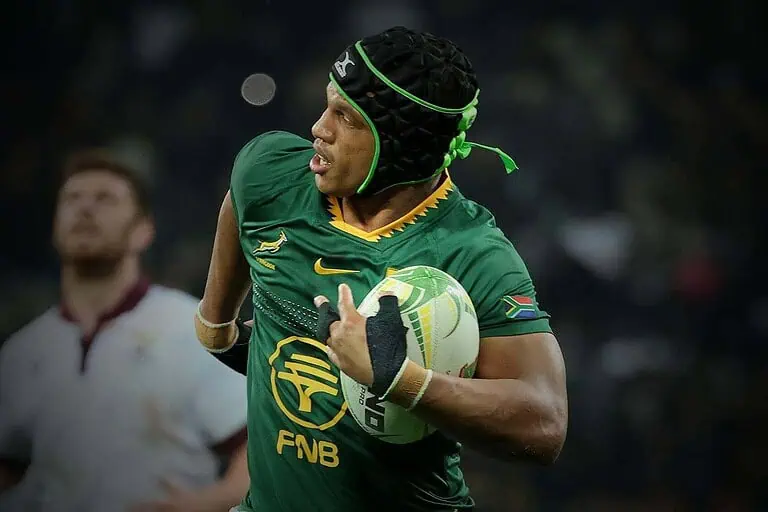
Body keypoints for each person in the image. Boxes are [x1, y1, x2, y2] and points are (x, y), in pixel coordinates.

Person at [195, 26, 568, 512]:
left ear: (400, 144)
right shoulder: (272, 174)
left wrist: (398, 380)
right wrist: (216, 324)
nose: (319, 128)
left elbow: (544, 425)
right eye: (327, 104)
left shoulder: (473, 253)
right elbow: (241, 197)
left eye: (346, 117)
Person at [0, 150, 250, 512]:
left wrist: (199, 505)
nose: (85, 209)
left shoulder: (190, 329)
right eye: (72, 199)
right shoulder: (23, 350)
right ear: (54, 227)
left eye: (105, 199)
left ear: (143, 231)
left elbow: (255, 452)